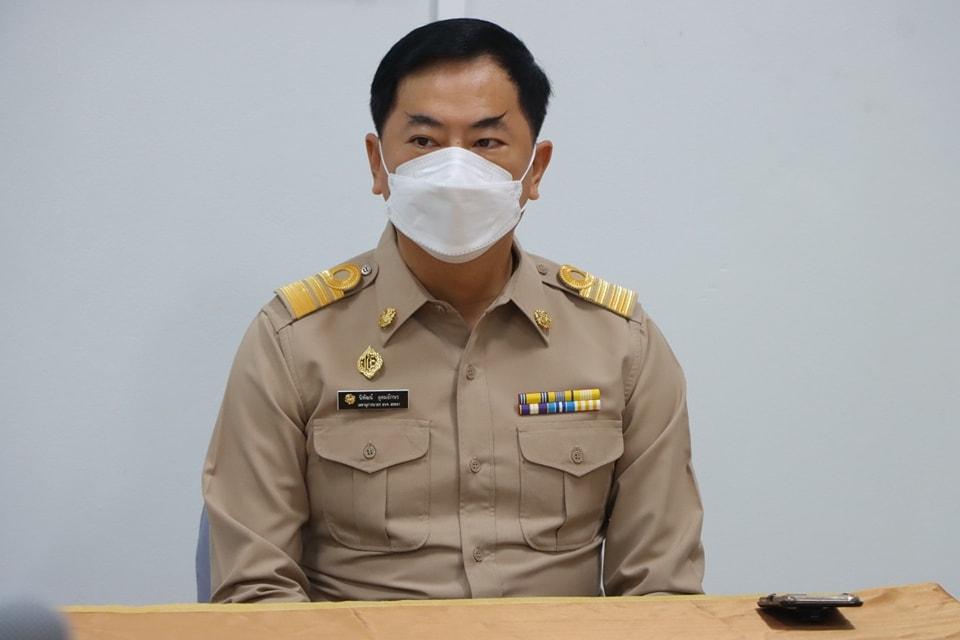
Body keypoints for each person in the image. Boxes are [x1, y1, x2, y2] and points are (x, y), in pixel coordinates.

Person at [202, 17, 704, 602]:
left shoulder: (621, 344)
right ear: (377, 163)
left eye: (487, 143)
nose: (455, 170)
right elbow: (256, 592)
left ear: (536, 169)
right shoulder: (293, 342)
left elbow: (660, 589)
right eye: (424, 142)